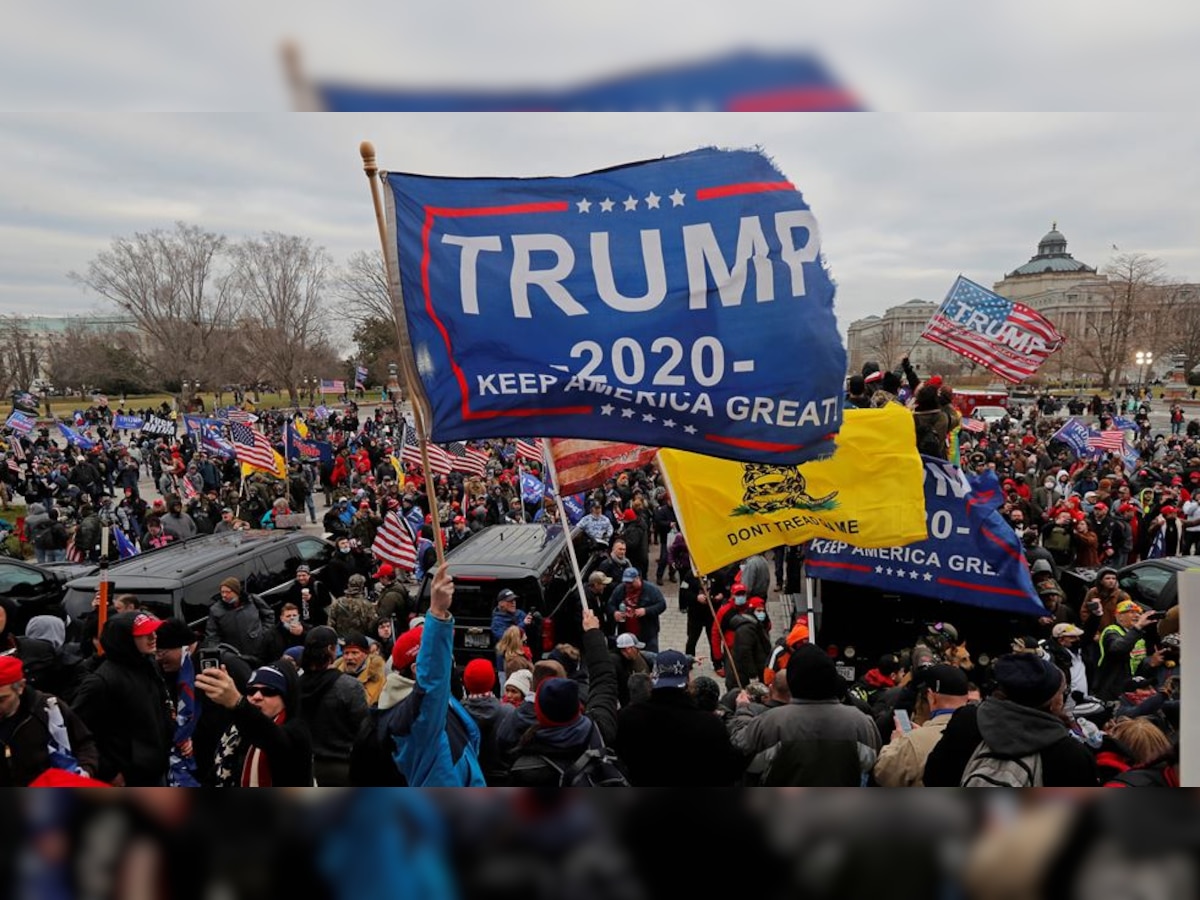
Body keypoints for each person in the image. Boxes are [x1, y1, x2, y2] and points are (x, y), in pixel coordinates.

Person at [350, 565, 487, 786]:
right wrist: (438, 614)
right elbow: (432, 681)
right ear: (416, 669)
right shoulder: (414, 715)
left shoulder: (433, 703)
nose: (447, 658)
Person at [923, 653, 1098, 787]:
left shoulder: (967, 721)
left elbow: (932, 777)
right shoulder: (1071, 754)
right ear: (1052, 702)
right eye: (1062, 692)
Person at [727, 643, 881, 786]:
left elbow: (742, 752)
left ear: (793, 680)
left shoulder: (771, 722)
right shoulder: (862, 723)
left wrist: (743, 710)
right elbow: (872, 765)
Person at [72, 612, 174, 786]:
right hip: (127, 777)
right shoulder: (101, 682)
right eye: (143, 634)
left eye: (154, 631)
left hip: (157, 769)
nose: (153, 637)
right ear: (124, 640)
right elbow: (77, 731)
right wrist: (108, 771)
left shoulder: (149, 664)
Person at [614, 649, 743, 786]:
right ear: (688, 679)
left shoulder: (627, 718)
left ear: (653, 678)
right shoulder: (710, 724)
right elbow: (729, 770)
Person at [197, 661, 313, 787]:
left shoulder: (297, 731)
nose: (257, 696)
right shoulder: (235, 732)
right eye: (251, 691)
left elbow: (273, 739)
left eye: (268, 691)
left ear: (286, 698)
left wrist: (237, 702)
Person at [0, 656, 100, 786]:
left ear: (20, 687)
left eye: (2, 700)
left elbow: (84, 744)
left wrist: (85, 772)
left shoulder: (49, 709)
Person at [872, 664, 970, 787]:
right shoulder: (982, 734)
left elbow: (883, 774)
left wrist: (896, 742)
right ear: (967, 698)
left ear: (931, 696)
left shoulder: (913, 742)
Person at [298, 626, 369, 787]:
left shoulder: (295, 685)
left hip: (306, 769)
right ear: (331, 649)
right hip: (342, 767)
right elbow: (364, 731)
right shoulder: (349, 686)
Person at [460, 657, 514, 786]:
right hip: (502, 780)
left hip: (469, 780)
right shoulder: (509, 712)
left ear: (466, 682)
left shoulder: (457, 713)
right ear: (493, 680)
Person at [1093, 600, 1156, 702]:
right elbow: (1118, 649)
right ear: (1119, 616)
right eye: (1131, 612)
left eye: (1139, 613)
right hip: (1111, 689)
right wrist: (1138, 627)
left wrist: (1151, 662)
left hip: (1131, 686)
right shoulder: (1111, 631)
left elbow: (1136, 663)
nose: (1137, 616)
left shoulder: (1138, 634)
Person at [203, 577, 274, 664]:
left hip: (260, 651)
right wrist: (221, 653)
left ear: (237, 592)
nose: (224, 595)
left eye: (228, 592)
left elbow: (269, 615)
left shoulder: (252, 600)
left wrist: (263, 634)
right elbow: (212, 636)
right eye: (222, 592)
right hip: (237, 656)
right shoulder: (216, 610)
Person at [606, 567, 667, 653]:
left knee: (650, 657)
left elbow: (662, 605)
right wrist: (614, 612)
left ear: (638, 578)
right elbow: (610, 604)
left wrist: (646, 611)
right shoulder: (620, 589)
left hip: (647, 634)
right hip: (626, 634)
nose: (628, 585)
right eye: (626, 582)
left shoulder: (651, 590)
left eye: (631, 582)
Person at [335, 632, 386, 707]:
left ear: (365, 655)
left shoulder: (376, 676)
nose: (349, 657)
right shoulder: (334, 675)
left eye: (354, 653)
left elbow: (365, 703)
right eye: (346, 653)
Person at [283, 564, 333, 628]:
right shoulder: (294, 589)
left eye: (304, 575)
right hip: (306, 624)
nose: (301, 578)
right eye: (299, 576)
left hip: (322, 620)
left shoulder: (317, 585)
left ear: (309, 575)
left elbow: (327, 601)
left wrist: (311, 599)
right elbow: (292, 607)